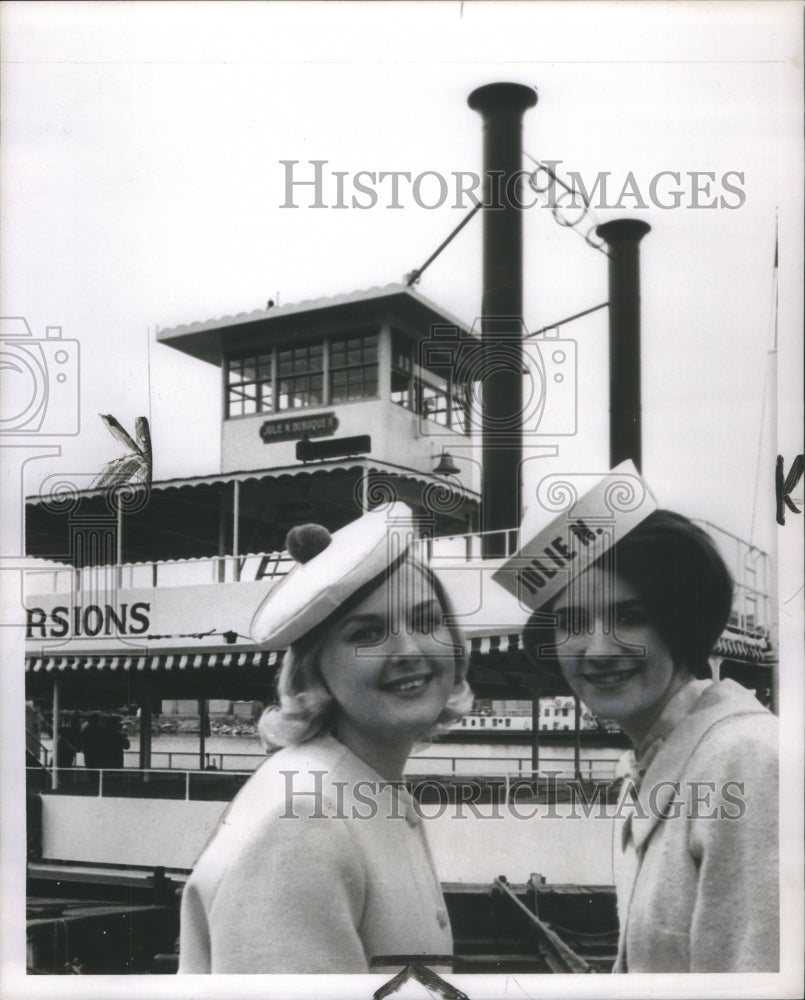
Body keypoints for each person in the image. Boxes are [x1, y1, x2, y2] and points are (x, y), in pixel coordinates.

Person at [503, 465, 779, 973]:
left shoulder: (750, 761)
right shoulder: (646, 769)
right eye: (572, 623)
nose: (600, 649)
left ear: (680, 623)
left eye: (630, 617)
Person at [178, 502, 473, 974]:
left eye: (425, 622)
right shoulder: (304, 820)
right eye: (368, 633)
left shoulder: (349, 785)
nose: (410, 650)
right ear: (315, 667)